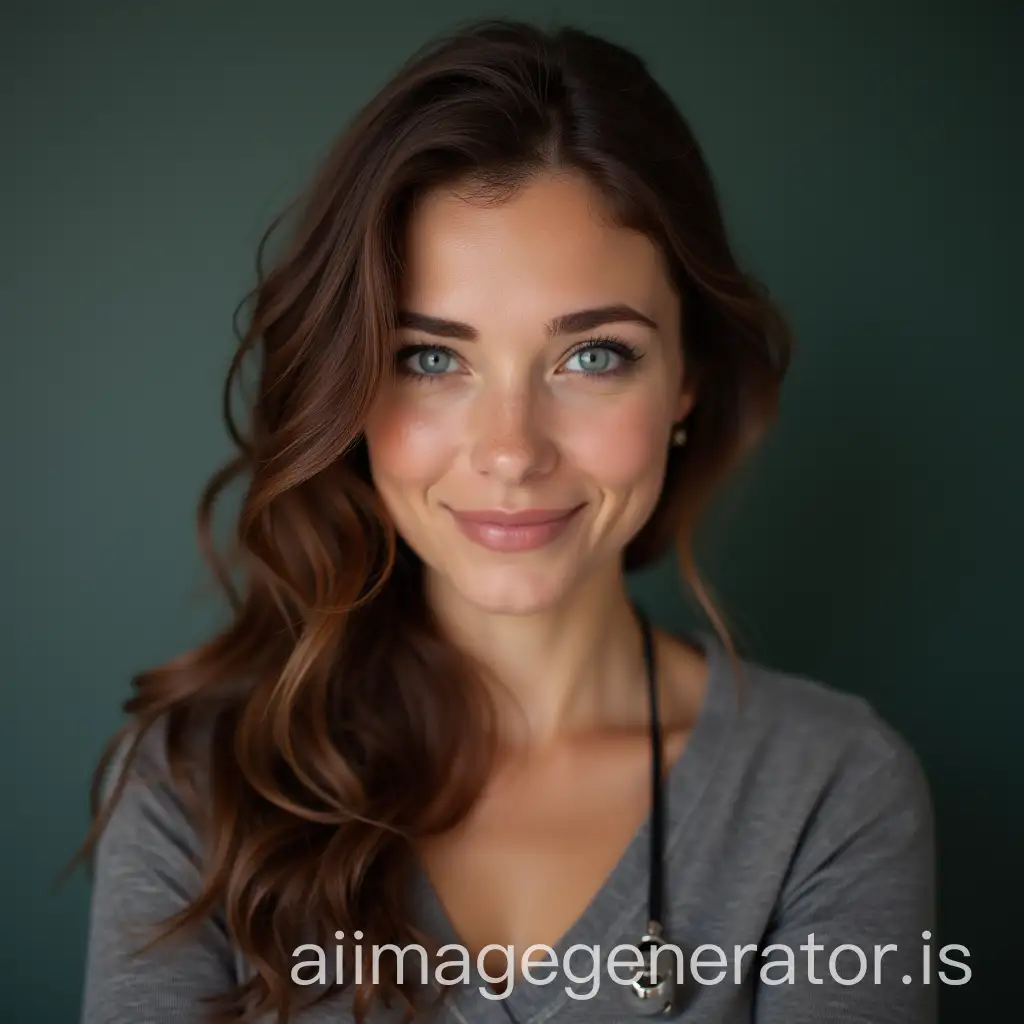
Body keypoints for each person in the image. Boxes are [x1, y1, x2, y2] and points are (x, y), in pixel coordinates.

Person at [75, 17, 936, 1024]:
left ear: (686, 381)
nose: (511, 448)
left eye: (592, 355)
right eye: (431, 358)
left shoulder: (827, 790)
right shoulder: (195, 786)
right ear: (349, 387)